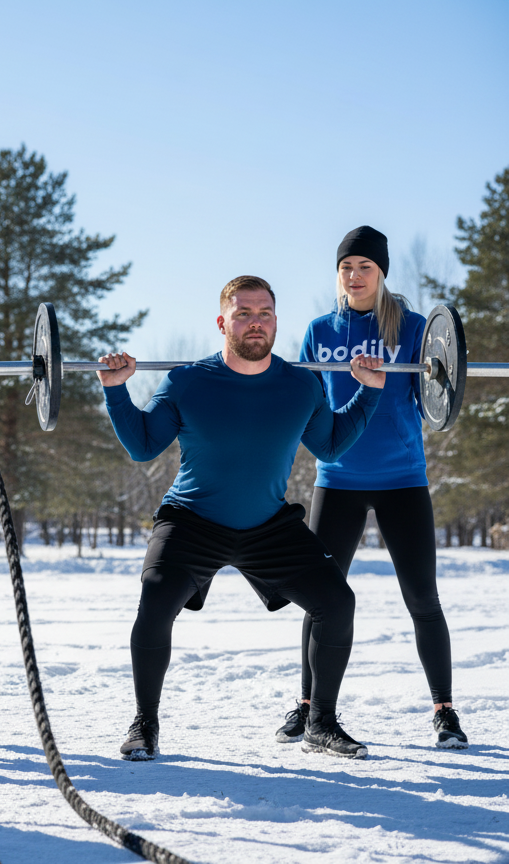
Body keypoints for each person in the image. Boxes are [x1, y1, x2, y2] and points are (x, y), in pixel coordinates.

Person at [98, 275, 387, 760]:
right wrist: (115, 390)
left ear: (276, 321)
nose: (256, 323)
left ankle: (321, 723)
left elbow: (331, 444)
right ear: (222, 322)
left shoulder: (300, 384)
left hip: (269, 526)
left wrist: (370, 391)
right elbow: (143, 446)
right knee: (155, 599)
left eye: (265, 314)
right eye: (244, 314)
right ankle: (145, 724)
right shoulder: (186, 381)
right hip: (191, 520)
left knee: (337, 602)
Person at [273, 226, 467, 749]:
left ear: (381, 273)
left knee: (423, 598)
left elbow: (436, 398)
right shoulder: (319, 330)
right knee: (322, 600)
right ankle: (310, 708)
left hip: (403, 480)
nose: (354, 276)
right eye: (346, 268)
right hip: (336, 480)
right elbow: (309, 404)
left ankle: (444, 711)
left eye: (365, 267)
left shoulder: (416, 327)